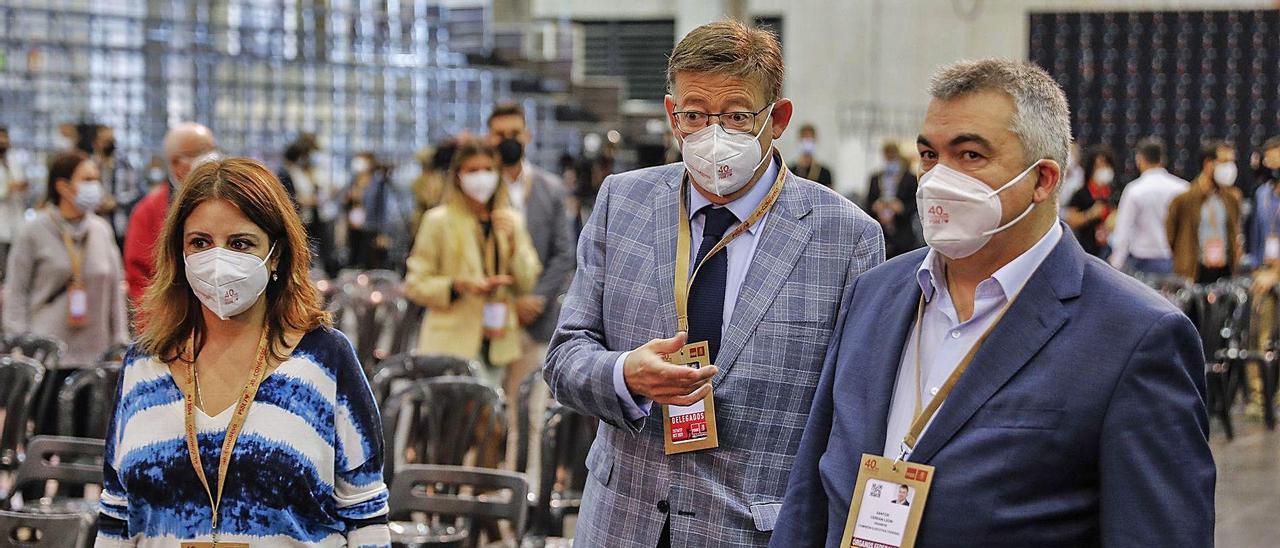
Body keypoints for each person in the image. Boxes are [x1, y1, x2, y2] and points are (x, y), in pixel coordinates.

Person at [772, 59, 1214, 547]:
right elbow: (811, 493)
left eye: (969, 156)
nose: (938, 180)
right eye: (929, 155)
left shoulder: (1135, 337)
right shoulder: (874, 294)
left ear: (1043, 180)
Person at [545, 21, 884, 548]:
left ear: (779, 118)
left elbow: (852, 416)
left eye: (737, 115)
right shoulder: (622, 202)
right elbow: (565, 356)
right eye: (695, 115)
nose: (713, 134)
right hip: (621, 522)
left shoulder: (846, 238)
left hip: (752, 529)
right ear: (670, 115)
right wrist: (624, 373)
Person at [96, 158, 389, 546]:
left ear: (277, 256)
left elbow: (365, 513)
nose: (217, 261)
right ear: (179, 253)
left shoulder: (325, 357)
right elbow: (116, 514)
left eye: (240, 243)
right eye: (200, 243)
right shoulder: (144, 361)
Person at [405, 140, 542, 380]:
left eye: (488, 170)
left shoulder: (510, 220)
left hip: (499, 341)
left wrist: (512, 244)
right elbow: (415, 284)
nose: (482, 177)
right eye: (473, 170)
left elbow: (527, 281)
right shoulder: (438, 221)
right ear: (458, 176)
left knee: (493, 413)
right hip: (451, 342)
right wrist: (457, 285)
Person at [486, 102, 576, 400]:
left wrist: (536, 298)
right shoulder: (478, 190)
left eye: (514, 132)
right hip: (490, 319)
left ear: (528, 136)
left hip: (537, 319)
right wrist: (511, 303)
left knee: (529, 413)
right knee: (486, 414)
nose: (507, 139)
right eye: (500, 134)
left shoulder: (550, 189)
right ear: (489, 138)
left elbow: (564, 253)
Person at [3, 151, 127, 365]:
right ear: (63, 186)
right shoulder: (33, 231)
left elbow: (115, 292)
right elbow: (17, 292)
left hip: (97, 357)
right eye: (88, 180)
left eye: (96, 179)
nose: (95, 186)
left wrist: (120, 342)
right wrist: (20, 345)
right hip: (46, 358)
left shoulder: (102, 230)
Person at [124, 122, 217, 308]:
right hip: (173, 316)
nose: (213, 157)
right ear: (176, 162)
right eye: (203, 151)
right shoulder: (148, 211)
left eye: (213, 149)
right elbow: (139, 279)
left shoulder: (227, 200)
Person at [1108, 137, 1189, 275]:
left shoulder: (1135, 190)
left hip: (1144, 263)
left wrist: (1115, 264)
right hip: (1175, 259)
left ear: (1140, 159)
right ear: (1162, 159)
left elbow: (1123, 230)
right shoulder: (1183, 188)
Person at [1167, 140, 1244, 283]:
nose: (1230, 168)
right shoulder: (1183, 200)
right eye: (1224, 161)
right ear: (1208, 164)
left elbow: (1235, 232)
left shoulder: (1232, 198)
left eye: (1232, 161)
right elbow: (1171, 237)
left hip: (1225, 272)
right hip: (1194, 273)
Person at [865, 141, 921, 258]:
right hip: (881, 233)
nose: (890, 159)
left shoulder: (909, 178)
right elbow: (868, 202)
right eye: (887, 155)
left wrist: (901, 208)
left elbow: (916, 203)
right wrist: (875, 207)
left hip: (903, 234)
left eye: (892, 155)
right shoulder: (875, 178)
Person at [1063, 145, 1117, 258]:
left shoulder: (1114, 193)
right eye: (1098, 166)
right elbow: (1071, 220)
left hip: (1110, 249)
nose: (1102, 169)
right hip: (1086, 248)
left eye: (1105, 165)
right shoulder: (1081, 193)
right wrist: (1090, 214)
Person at [0, 126, 29, 272]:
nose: (3, 141)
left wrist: (22, 185)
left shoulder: (13, 159)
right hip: (2, 220)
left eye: (5, 138)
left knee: (14, 266)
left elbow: (21, 181)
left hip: (16, 219)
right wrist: (7, 189)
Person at [1247, 137, 1280, 265]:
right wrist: (1255, 266)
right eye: (1268, 160)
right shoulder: (1262, 193)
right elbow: (1256, 233)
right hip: (1264, 266)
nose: (1272, 165)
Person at [788, 124, 834, 188]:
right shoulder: (790, 172)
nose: (807, 141)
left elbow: (830, 196)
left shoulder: (824, 173)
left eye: (809, 138)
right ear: (799, 141)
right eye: (804, 138)